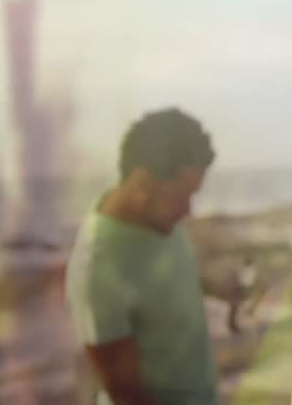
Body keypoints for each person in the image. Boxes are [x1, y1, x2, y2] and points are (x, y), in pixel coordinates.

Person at [65, 108, 220, 405]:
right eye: (182, 196)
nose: (188, 210)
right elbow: (127, 396)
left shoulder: (157, 219)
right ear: (141, 185)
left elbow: (161, 281)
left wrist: (216, 286)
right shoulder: (98, 267)